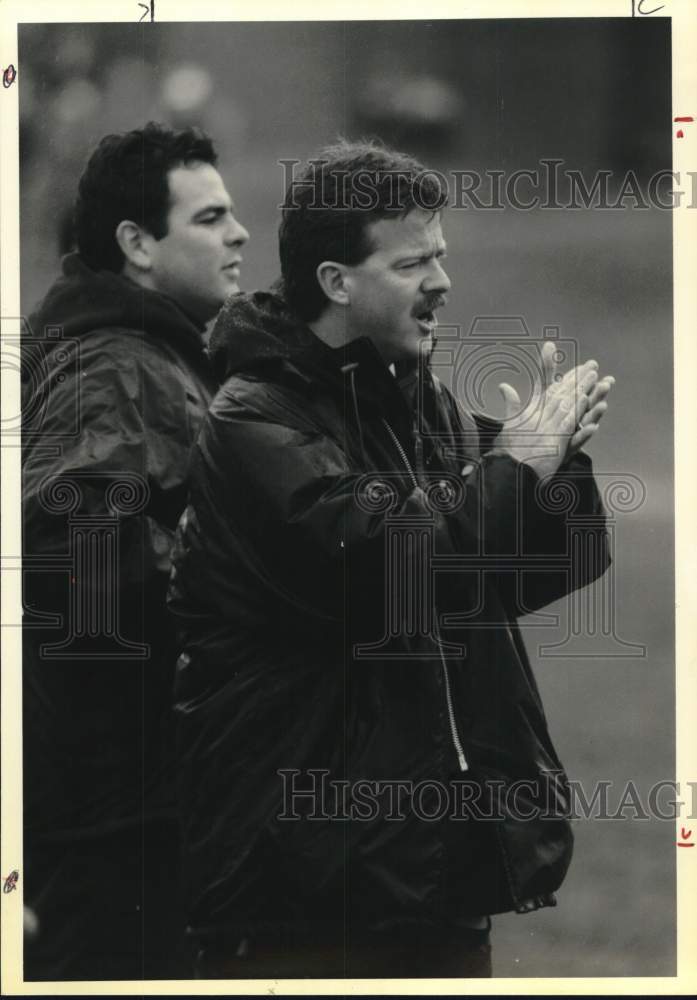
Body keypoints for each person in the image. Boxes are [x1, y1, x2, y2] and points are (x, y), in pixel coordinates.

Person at [168, 140, 614, 979]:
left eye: (439, 256)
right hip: (304, 886)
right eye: (413, 263)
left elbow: (517, 578)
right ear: (337, 283)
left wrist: (555, 470)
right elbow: (390, 568)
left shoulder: (422, 404)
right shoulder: (253, 422)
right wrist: (515, 467)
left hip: (431, 874)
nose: (442, 283)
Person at [21, 121, 249, 981]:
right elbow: (85, 582)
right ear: (137, 246)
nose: (239, 234)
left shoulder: (149, 352)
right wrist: (244, 597)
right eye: (209, 218)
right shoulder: (113, 370)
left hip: (129, 807)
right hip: (115, 824)